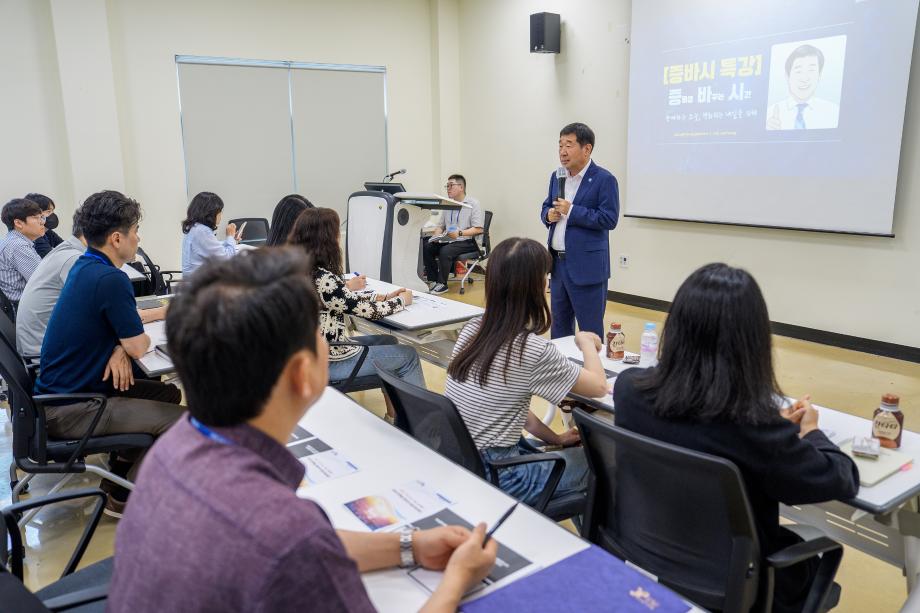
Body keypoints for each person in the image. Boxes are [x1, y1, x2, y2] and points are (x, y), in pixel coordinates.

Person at [107, 247, 498, 613]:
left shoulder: (175, 447)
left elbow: (314, 549)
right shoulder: (286, 536)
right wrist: (459, 576)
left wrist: (410, 545)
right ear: (301, 373)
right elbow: (295, 548)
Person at [613, 263, 859, 613]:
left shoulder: (629, 391)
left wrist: (775, 428)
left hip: (642, 559)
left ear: (677, 327)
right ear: (753, 343)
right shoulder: (753, 428)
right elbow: (841, 479)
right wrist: (810, 431)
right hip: (738, 585)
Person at [35, 190, 183, 516]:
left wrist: (120, 346)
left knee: (168, 393)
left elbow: (122, 334)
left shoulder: (86, 266)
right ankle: (123, 496)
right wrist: (126, 345)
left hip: (58, 396)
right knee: (184, 423)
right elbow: (138, 345)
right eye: (135, 232)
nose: (138, 238)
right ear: (117, 238)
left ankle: (119, 467)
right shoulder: (110, 279)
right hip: (75, 407)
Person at [445, 237, 608, 508]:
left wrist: (555, 439)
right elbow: (599, 387)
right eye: (545, 275)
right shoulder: (531, 349)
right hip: (502, 475)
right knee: (598, 460)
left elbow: (505, 405)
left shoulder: (473, 328)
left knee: (573, 453)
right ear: (535, 286)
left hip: (462, 459)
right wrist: (587, 344)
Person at [287, 208, 426, 411]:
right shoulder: (323, 279)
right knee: (409, 356)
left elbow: (342, 300)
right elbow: (369, 312)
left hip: (310, 356)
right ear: (326, 239)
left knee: (389, 341)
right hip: (329, 363)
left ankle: (395, 417)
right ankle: (424, 427)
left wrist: (383, 297)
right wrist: (402, 301)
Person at [16, 210, 167, 357]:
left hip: (52, 348)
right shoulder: (78, 261)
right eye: (135, 231)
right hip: (51, 354)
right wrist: (161, 312)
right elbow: (123, 331)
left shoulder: (68, 252)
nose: (138, 238)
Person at [540, 122, 619, 339]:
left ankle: (593, 372)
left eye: (569, 145)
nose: (563, 151)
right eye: (560, 145)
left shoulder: (604, 179)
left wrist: (573, 211)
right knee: (559, 328)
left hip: (587, 268)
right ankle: (562, 371)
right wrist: (548, 215)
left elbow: (609, 218)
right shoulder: (557, 176)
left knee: (590, 332)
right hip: (558, 265)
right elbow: (547, 205)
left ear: (587, 149)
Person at [423, 174, 484, 294]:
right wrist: (436, 236)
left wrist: (460, 232)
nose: (448, 188)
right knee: (427, 246)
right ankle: (433, 280)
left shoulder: (473, 204)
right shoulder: (448, 204)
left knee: (446, 250)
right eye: (447, 186)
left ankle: (442, 284)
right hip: (450, 239)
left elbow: (479, 229)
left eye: (451, 185)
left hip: (468, 241)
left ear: (461, 187)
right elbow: (441, 226)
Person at [766, 44, 840, 131]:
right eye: (798, 71)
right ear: (787, 76)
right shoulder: (769, 114)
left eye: (811, 70)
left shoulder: (834, 112)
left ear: (819, 75)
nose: (804, 78)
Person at [0, 197, 46, 312]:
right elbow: (44, 281)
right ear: (18, 223)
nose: (42, 222)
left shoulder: (14, 241)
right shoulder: (18, 246)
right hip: (23, 310)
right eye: (36, 218)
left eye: (42, 217)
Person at [180, 191, 241, 276]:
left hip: (195, 280)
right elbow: (226, 259)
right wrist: (230, 236)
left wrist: (231, 240)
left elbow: (212, 247)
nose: (221, 215)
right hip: (200, 283)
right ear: (211, 213)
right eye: (220, 211)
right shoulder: (202, 231)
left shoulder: (195, 227)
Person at [27, 193, 64, 258]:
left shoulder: (47, 232)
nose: (53, 215)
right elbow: (52, 258)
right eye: (48, 211)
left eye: (53, 211)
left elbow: (65, 247)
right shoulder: (34, 237)